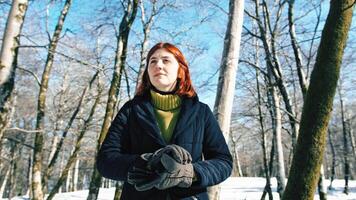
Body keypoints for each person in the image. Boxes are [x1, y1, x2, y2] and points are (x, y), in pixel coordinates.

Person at [97, 42, 232, 200]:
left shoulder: (201, 112)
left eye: (166, 60)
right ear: (147, 72)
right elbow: (106, 160)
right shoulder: (130, 110)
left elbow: (223, 162)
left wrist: (189, 173)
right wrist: (143, 164)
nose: (158, 65)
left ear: (181, 70)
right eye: (152, 61)